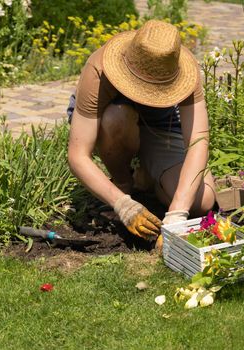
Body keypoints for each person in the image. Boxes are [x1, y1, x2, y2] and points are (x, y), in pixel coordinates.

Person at [67, 20, 215, 249]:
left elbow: (198, 142)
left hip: (161, 122)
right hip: (114, 118)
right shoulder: (99, 70)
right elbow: (78, 155)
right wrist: (122, 203)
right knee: (116, 118)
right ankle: (123, 183)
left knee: (202, 201)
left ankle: (147, 178)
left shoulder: (183, 68)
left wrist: (177, 214)